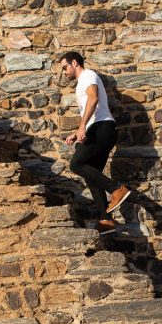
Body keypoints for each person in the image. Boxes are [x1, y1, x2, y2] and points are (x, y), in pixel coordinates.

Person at [59, 51, 131, 235]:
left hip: (102, 128)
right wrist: (78, 132)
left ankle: (117, 189)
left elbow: (94, 98)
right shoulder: (83, 80)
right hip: (100, 129)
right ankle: (105, 220)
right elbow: (92, 109)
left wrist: (82, 126)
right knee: (92, 175)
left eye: (65, 67)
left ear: (74, 63)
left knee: (76, 164)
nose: (64, 72)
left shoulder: (87, 75)